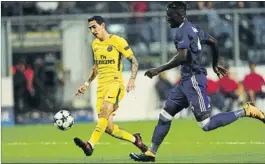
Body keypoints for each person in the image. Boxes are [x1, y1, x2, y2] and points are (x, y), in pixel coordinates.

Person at [129, 2, 265, 162]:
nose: (167, 18)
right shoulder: (194, 28)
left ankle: (246, 111)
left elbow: (183, 56)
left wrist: (158, 69)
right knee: (165, 115)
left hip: (194, 80)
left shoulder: (182, 32)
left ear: (179, 15)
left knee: (206, 124)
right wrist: (215, 64)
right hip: (185, 81)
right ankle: (151, 152)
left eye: (170, 15)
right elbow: (213, 42)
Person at [73, 16, 147, 157]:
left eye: (94, 27)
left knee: (105, 110)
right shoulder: (95, 44)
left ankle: (90, 145)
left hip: (115, 84)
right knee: (108, 127)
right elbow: (96, 67)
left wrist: (132, 79)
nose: (92, 30)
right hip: (101, 87)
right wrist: (86, 84)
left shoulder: (117, 41)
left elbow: (134, 61)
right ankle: (136, 140)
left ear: (103, 25)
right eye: (90, 28)